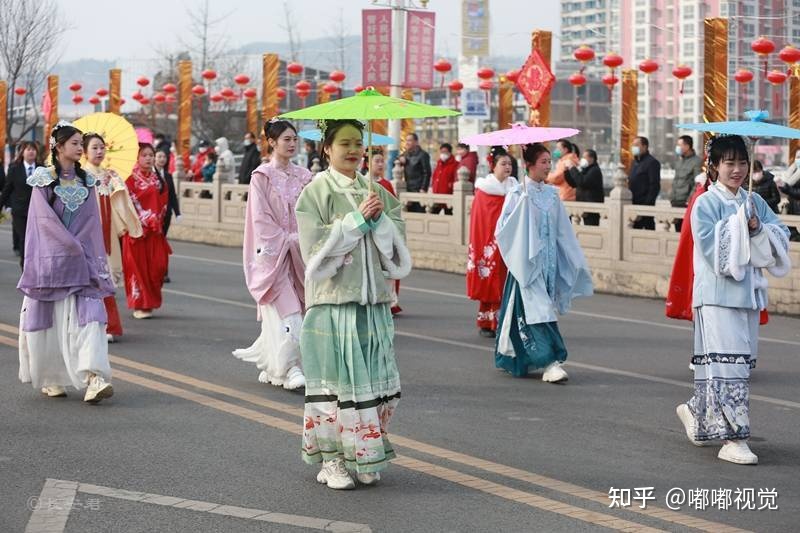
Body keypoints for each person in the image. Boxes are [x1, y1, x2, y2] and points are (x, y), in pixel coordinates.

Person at [295, 119, 411, 490]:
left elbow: (397, 249)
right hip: (334, 304)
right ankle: (331, 461)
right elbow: (314, 255)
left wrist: (379, 222)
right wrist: (357, 221)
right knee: (337, 386)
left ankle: (364, 453)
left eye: (358, 143)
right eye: (344, 143)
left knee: (375, 383)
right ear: (326, 148)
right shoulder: (316, 191)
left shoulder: (375, 189)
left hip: (373, 302)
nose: (353, 150)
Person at [675, 135, 791, 465]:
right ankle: (734, 438)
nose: (737, 170)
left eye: (742, 162)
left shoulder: (754, 201)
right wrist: (743, 225)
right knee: (730, 366)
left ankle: (697, 414)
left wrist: (757, 228)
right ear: (713, 167)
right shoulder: (705, 204)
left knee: (733, 365)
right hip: (716, 297)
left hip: (748, 296)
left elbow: (781, 236)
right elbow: (715, 253)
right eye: (729, 163)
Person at [17, 121, 115, 402]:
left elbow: (91, 221)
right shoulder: (43, 179)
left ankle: (95, 378)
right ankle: (51, 376)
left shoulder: (87, 181)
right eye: (74, 143)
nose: (80, 148)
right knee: (50, 323)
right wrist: (68, 245)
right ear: (58, 147)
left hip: (82, 262)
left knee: (91, 320)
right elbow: (42, 222)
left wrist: (81, 248)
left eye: (80, 143)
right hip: (51, 263)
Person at [494, 143, 593, 382]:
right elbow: (502, 230)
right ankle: (550, 361)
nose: (548, 166)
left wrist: (571, 257)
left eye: (550, 161)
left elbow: (563, 231)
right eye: (543, 162)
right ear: (529, 165)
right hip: (526, 263)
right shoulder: (517, 194)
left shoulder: (552, 194)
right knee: (539, 311)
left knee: (537, 310)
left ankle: (519, 358)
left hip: (549, 263)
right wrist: (521, 209)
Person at [233, 119, 310, 390]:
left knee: (299, 307)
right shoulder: (261, 177)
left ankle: (272, 360)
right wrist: (284, 239)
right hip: (273, 252)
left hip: (300, 252)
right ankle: (289, 367)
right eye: (286, 139)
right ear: (272, 142)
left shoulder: (304, 176)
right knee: (288, 311)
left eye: (294, 139)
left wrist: (303, 238)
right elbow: (260, 218)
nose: (291, 144)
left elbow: (312, 212)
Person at [83, 133, 143, 343]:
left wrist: (116, 186)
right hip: (87, 234)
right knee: (88, 279)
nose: (99, 152)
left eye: (101, 148)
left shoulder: (110, 175)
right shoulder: (79, 176)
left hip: (106, 233)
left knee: (105, 277)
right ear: (84, 151)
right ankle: (88, 324)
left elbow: (120, 201)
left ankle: (109, 324)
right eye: (94, 148)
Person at [467, 146, 518, 338]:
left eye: (509, 164)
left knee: (508, 281)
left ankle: (507, 321)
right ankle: (488, 321)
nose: (507, 167)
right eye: (503, 163)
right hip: (490, 242)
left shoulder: (515, 188)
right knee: (491, 279)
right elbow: (481, 221)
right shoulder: (485, 190)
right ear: (493, 166)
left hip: (511, 241)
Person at [122, 143, 172, 319]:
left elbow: (165, 201)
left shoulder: (158, 179)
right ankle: (140, 304)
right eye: (144, 155)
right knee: (138, 269)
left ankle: (149, 302)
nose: (149, 158)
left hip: (155, 231)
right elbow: (127, 204)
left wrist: (158, 218)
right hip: (137, 232)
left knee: (157, 267)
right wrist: (144, 218)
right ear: (137, 157)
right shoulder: (128, 180)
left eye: (151, 155)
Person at [364, 147, 402, 315]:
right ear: (367, 163)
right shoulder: (362, 184)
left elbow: (394, 209)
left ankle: (388, 300)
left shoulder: (386, 185)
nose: (380, 164)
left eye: (382, 161)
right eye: (376, 161)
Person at [0, 141, 40, 268]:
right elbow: (7, 190)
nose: (31, 151)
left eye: (33, 149)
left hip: (38, 212)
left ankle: (35, 266)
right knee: (24, 239)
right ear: (22, 152)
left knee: (36, 240)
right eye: (28, 149)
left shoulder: (42, 169)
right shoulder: (14, 169)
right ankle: (26, 268)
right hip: (20, 212)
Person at [155, 149, 180, 283]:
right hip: (154, 215)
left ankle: (163, 271)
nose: (162, 159)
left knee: (163, 242)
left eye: (164, 156)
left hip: (166, 214)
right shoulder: (151, 176)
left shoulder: (168, 176)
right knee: (156, 243)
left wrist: (177, 212)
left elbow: (173, 196)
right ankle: (157, 270)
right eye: (159, 156)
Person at [564, 148, 604, 225]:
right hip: (583, 206)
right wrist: (566, 172)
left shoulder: (595, 171)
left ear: (592, 158)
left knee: (591, 229)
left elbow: (582, 182)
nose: (582, 159)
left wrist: (573, 168)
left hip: (591, 208)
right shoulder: (585, 170)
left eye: (585, 157)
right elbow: (574, 183)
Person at [629, 136, 661, 230]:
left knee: (648, 231)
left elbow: (654, 186)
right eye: (633, 145)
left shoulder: (652, 163)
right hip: (633, 205)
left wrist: (645, 207)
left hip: (645, 207)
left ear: (644, 146)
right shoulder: (634, 162)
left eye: (636, 145)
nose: (634, 147)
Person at [399, 132, 431, 212]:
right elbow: (394, 163)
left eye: (410, 140)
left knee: (419, 212)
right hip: (408, 188)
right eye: (406, 140)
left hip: (418, 189)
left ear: (416, 142)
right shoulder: (406, 154)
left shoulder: (423, 155)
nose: (407, 142)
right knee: (409, 213)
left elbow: (427, 172)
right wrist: (400, 160)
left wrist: (423, 188)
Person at [672, 135, 702, 210]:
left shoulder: (697, 161)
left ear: (687, 146)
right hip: (675, 201)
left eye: (679, 145)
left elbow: (697, 183)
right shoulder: (679, 161)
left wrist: (690, 199)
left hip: (686, 202)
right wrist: (671, 197)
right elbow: (675, 180)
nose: (677, 147)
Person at [429, 142, 459, 214]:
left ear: (450, 152)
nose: (443, 154)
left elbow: (455, 179)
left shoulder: (455, 164)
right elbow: (435, 176)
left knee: (449, 215)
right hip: (437, 195)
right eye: (441, 152)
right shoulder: (439, 163)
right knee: (433, 214)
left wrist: (450, 186)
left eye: (445, 152)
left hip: (448, 195)